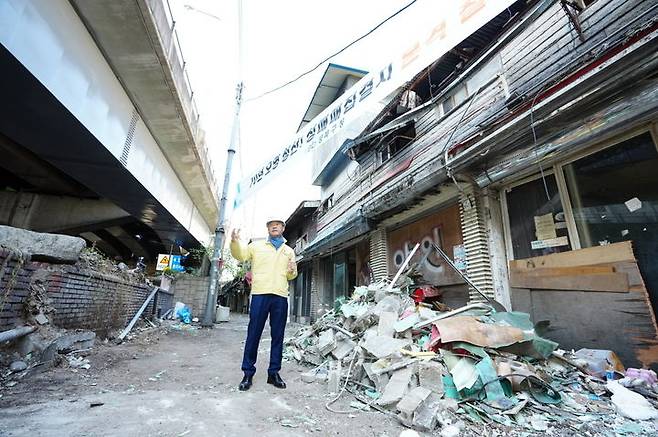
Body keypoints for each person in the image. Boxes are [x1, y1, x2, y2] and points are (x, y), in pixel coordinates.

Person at [230, 217, 297, 391]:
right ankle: (248, 373)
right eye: (270, 225)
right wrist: (235, 241)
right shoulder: (256, 246)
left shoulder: (289, 251)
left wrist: (292, 270)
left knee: (278, 336)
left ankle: (273, 373)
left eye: (277, 224)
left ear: (283, 228)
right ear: (267, 229)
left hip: (280, 296)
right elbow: (241, 255)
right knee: (254, 334)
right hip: (260, 294)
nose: (274, 226)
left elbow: (291, 275)